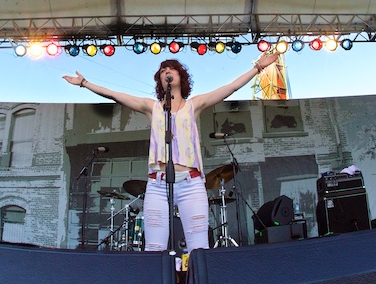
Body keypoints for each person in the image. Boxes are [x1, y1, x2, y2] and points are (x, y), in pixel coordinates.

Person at [62, 53, 278, 254]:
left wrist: (258, 67)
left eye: (172, 69)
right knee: (154, 248)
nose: (167, 71)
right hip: (157, 184)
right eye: (163, 69)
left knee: (198, 248)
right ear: (160, 79)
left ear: (180, 76)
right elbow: (116, 95)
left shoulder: (194, 105)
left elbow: (230, 87)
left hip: (191, 184)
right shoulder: (152, 107)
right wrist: (84, 83)